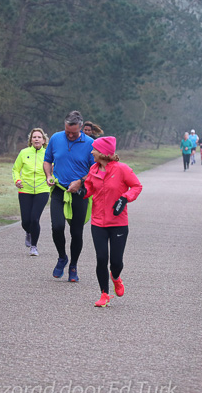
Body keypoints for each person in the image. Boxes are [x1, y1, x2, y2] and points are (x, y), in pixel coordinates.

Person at [84, 137, 142, 307]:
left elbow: (137, 186)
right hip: (98, 222)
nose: (91, 152)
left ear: (102, 152)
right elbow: (89, 188)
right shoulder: (93, 169)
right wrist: (81, 190)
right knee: (101, 258)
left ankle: (115, 277)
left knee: (116, 262)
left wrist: (125, 198)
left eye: (94, 149)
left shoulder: (122, 169)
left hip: (118, 222)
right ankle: (104, 294)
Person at [43, 111, 95, 282]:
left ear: (81, 128)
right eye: (67, 132)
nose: (70, 135)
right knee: (57, 227)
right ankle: (62, 257)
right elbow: (47, 160)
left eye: (73, 132)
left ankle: (73, 265)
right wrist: (49, 175)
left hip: (79, 192)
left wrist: (80, 182)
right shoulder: (56, 139)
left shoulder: (90, 144)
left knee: (76, 232)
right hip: (59, 190)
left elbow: (95, 170)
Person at [12, 128, 50, 256]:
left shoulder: (48, 154)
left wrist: (52, 179)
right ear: (31, 140)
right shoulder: (24, 153)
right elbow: (15, 170)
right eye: (34, 137)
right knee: (25, 222)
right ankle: (28, 232)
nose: (37, 139)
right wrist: (17, 180)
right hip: (25, 189)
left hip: (42, 189)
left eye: (39, 137)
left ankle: (34, 246)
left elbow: (55, 171)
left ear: (43, 140)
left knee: (35, 219)